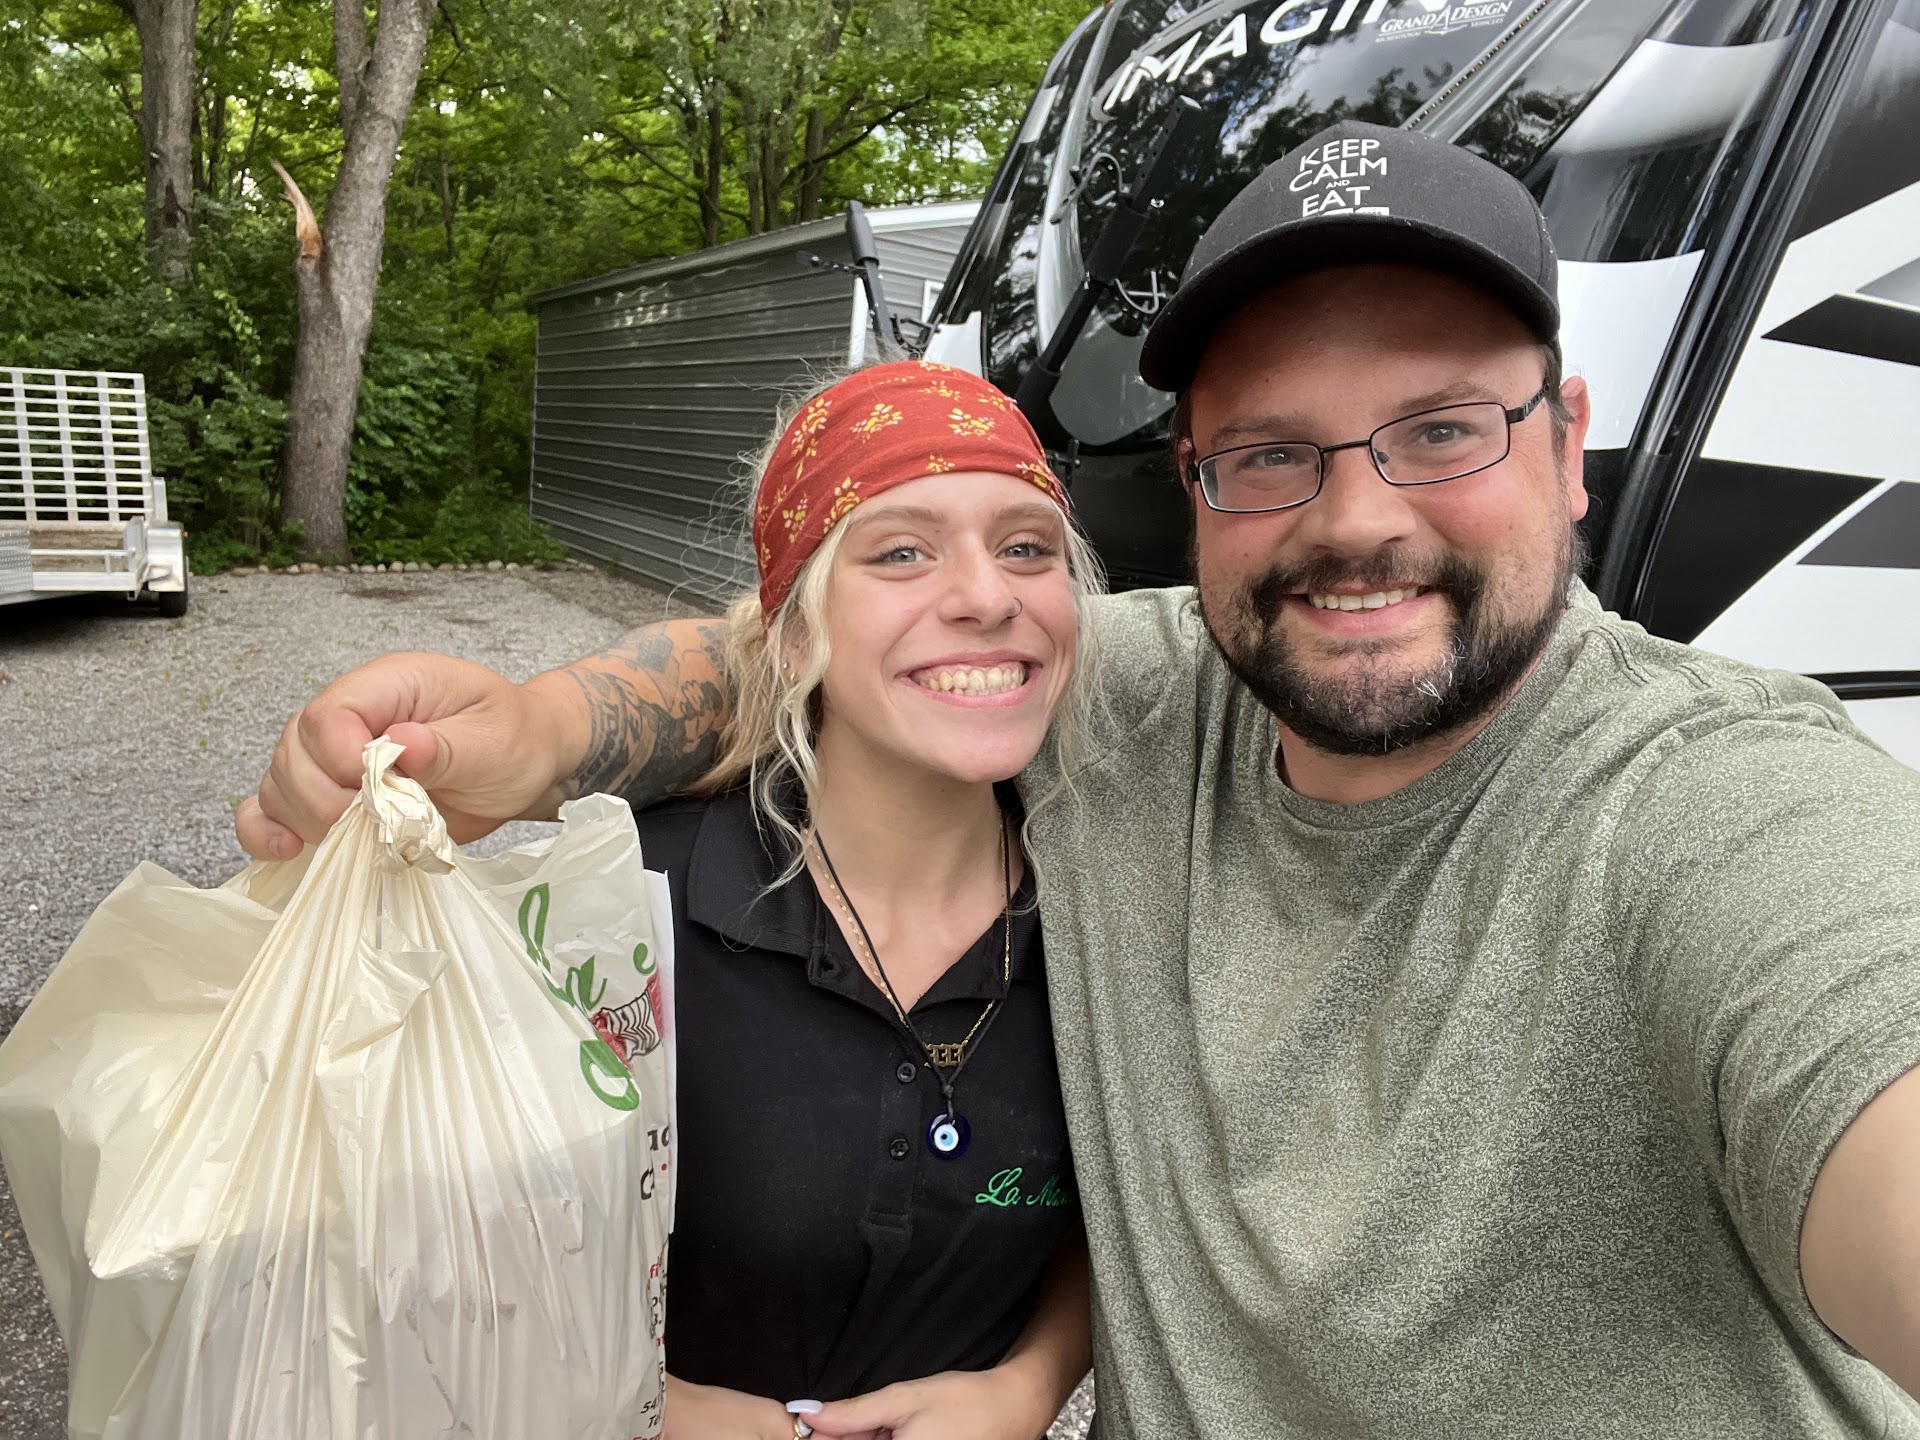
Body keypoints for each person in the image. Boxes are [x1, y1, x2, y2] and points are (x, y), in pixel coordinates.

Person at [240, 123, 1920, 1438]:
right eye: (1271, 452)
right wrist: (536, 740)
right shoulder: (1150, 701)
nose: (1356, 521)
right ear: (1195, 486)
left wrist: (1029, 1375)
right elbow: (811, 644)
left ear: (1566, 444)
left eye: (1442, 429)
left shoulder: (1717, 801)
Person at [265, 360, 1102, 1439]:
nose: (989, 596)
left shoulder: (1110, 911)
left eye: (1027, 547)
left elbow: (1132, 1207)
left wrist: (1029, 1384)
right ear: (793, 633)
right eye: (902, 550)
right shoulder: (623, 918)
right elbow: (416, 1263)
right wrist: (640, 1408)